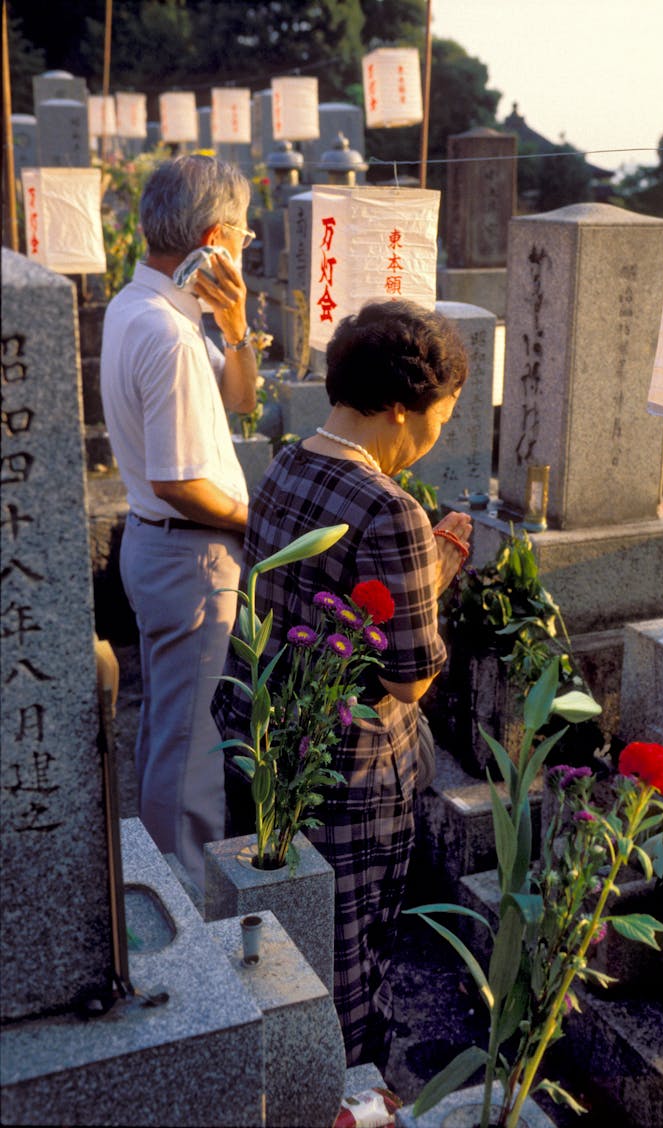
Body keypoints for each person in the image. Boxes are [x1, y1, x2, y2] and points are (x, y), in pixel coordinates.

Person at [211, 299, 472, 1067]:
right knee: (347, 961)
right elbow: (407, 678)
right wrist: (436, 570)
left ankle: (279, 1079)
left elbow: (316, 609)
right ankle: (347, 1092)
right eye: (442, 417)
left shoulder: (288, 461)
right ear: (400, 409)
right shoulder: (390, 507)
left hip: (264, 741)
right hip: (344, 770)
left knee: (278, 941)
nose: (437, 436)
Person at [100, 154, 258, 892]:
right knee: (191, 750)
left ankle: (161, 888)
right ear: (214, 236)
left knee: (170, 730)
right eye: (243, 235)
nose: (245, 246)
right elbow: (178, 480)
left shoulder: (143, 306)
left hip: (158, 546)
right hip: (190, 555)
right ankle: (185, 905)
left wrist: (237, 325)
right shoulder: (167, 334)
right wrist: (259, 523)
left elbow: (239, 401)